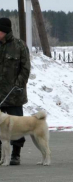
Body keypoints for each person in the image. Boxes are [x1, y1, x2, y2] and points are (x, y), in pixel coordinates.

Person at [0, 17, 31, 165]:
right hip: (0, 95)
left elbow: (25, 68)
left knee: (17, 126)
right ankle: (1, 155)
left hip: (14, 94)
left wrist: (19, 84)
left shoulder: (19, 46)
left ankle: (16, 154)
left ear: (5, 31)